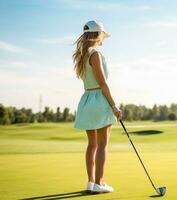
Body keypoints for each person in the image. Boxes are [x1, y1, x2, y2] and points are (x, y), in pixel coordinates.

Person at [72, 20, 122, 194]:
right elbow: (102, 83)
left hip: (86, 100)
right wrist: (114, 106)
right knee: (102, 144)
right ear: (97, 35)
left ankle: (90, 182)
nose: (103, 39)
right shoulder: (95, 55)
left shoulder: (81, 55)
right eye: (102, 35)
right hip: (99, 101)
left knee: (92, 145)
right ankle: (99, 183)